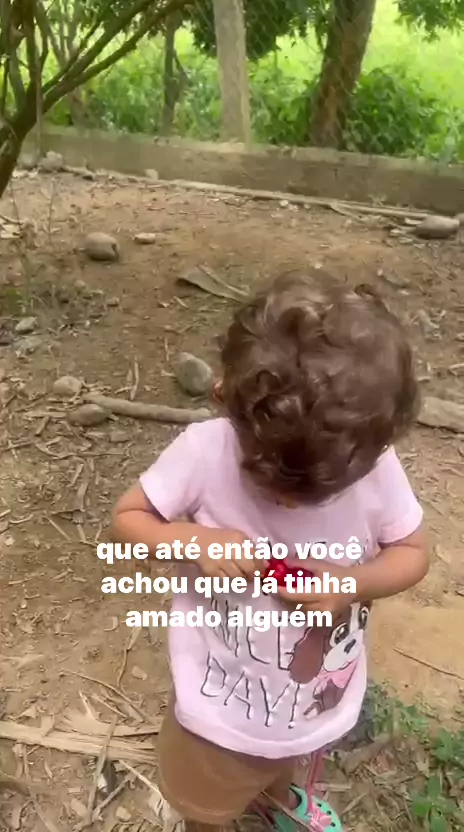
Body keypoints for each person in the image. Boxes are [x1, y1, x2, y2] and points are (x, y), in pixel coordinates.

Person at [110, 274, 428, 832]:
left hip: (308, 697)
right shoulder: (205, 452)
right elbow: (128, 519)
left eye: (319, 491)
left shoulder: (371, 464)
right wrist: (193, 539)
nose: (289, 502)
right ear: (223, 397)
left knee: (284, 757)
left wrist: (352, 583)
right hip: (218, 706)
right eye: (272, 482)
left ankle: (275, 798)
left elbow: (412, 552)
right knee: (206, 802)